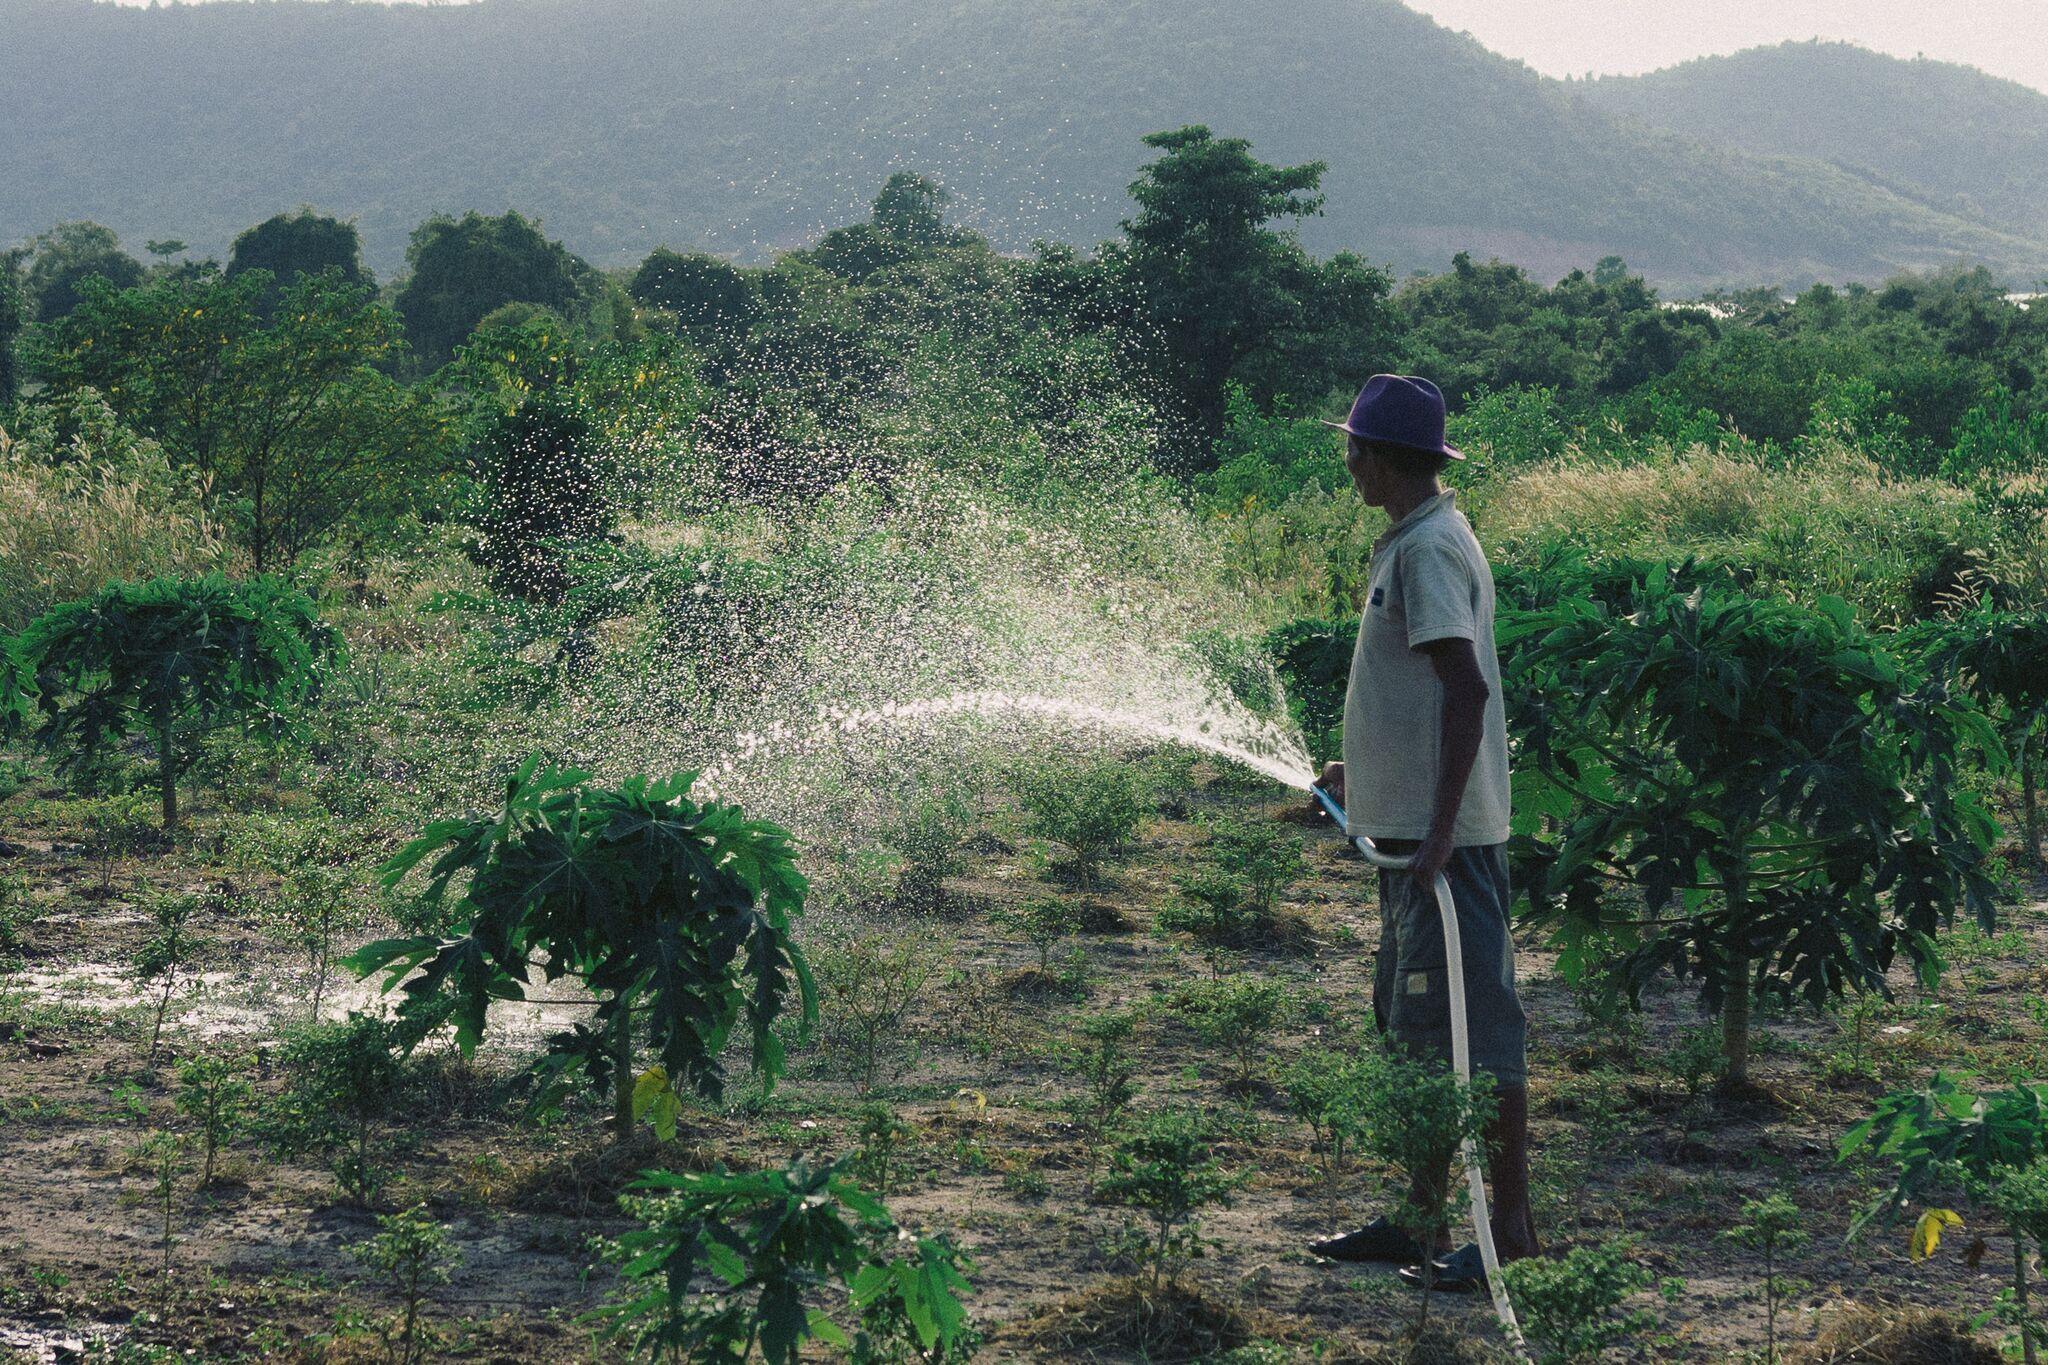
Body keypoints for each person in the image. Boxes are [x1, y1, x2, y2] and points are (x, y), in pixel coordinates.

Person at [1306, 373, 1539, 1289]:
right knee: (1416, 1033)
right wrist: (1362, 774)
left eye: (1355, 447)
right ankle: (1416, 1218)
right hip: (1409, 840)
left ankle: (1510, 1235)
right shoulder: (1412, 539)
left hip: (1447, 851)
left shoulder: (1431, 550)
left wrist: (1441, 828)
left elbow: (1465, 687)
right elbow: (1416, 696)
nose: (1348, 460)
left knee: (1478, 1038)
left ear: (1385, 458)